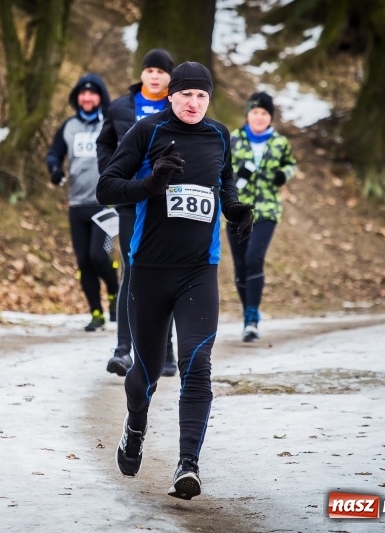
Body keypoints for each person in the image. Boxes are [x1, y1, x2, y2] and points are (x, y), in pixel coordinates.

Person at [96, 62, 254, 500]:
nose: (193, 103)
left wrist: (236, 210)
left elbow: (224, 185)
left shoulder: (220, 136)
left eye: (201, 96)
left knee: (196, 365)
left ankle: (188, 465)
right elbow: (107, 188)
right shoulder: (146, 132)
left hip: (198, 272)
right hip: (148, 272)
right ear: (171, 95)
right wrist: (152, 183)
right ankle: (135, 427)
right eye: (185, 94)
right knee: (144, 376)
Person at [97, 48, 178, 378]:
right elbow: (104, 143)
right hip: (131, 196)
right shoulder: (119, 107)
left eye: (161, 71)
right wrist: (111, 172)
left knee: (166, 273)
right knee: (132, 268)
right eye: (150, 70)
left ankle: (167, 350)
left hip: (167, 202)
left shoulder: (180, 106)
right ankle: (123, 349)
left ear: (170, 77)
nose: (155, 76)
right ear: (142, 74)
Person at [46, 73, 119, 332]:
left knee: (99, 256)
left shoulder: (110, 123)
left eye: (92, 93)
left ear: (101, 97)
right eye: (82, 93)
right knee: (84, 262)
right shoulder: (68, 126)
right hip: (77, 203)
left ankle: (114, 292)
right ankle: (96, 313)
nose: (87, 98)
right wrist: (54, 168)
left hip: (106, 203)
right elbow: (54, 153)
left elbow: (125, 151)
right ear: (77, 97)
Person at [228, 91, 297, 342]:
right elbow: (221, 170)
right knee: (240, 265)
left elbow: (291, 164)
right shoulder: (233, 139)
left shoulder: (279, 143)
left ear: (270, 117)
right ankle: (247, 308)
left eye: (264, 113)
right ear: (248, 114)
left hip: (266, 211)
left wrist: (284, 175)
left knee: (254, 258)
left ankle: (251, 317)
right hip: (237, 210)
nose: (259, 117)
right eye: (255, 112)